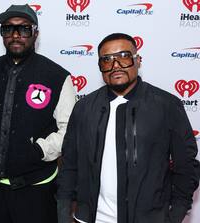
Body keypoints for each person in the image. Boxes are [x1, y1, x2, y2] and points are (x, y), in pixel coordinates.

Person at [57, 33, 200, 223]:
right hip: (91, 218)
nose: (115, 66)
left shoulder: (166, 106)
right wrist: (64, 213)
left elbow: (186, 166)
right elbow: (69, 165)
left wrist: (175, 215)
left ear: (138, 61)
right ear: (100, 67)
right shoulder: (84, 108)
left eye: (124, 56)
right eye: (106, 60)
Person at [0, 4, 76, 223]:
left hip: (36, 190)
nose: (15, 35)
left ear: (35, 33)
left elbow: (70, 130)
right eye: (8, 29)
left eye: (24, 29)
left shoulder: (57, 76)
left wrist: (39, 150)